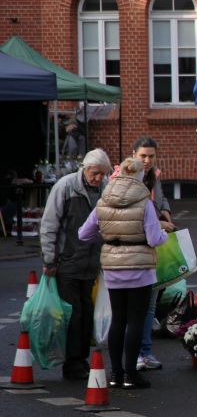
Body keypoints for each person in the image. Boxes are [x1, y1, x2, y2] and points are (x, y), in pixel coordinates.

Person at [79, 156, 168, 388]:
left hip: (113, 267)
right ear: (139, 178)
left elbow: (83, 234)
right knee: (135, 321)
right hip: (140, 268)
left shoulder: (103, 201)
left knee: (118, 319)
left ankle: (116, 374)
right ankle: (131, 374)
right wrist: (165, 234)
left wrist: (108, 238)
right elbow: (154, 238)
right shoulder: (144, 203)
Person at [38, 149, 111, 379]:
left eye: (102, 174)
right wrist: (50, 259)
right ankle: (71, 363)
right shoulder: (66, 187)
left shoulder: (105, 188)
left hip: (91, 264)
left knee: (86, 311)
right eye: (95, 173)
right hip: (67, 262)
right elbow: (49, 225)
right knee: (74, 313)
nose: (99, 178)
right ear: (85, 168)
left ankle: (80, 359)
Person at [125, 137, 175, 372]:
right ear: (133, 153)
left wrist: (165, 210)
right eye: (143, 155)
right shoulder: (124, 179)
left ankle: (145, 352)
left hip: (152, 249)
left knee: (150, 306)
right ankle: (134, 356)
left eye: (151, 156)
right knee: (134, 308)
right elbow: (128, 215)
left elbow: (161, 197)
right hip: (133, 252)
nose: (146, 160)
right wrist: (158, 225)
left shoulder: (153, 175)